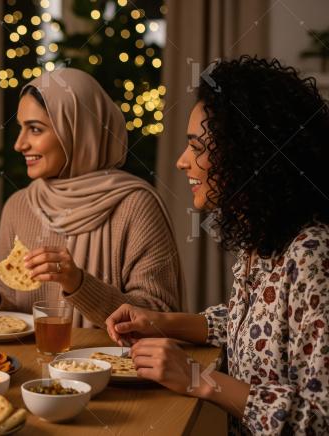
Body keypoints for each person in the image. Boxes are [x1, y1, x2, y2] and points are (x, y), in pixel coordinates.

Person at [105, 57, 329, 434]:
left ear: (247, 152)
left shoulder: (313, 255)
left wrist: (196, 378)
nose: (181, 162)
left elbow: (320, 419)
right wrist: (160, 322)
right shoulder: (263, 241)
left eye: (197, 147)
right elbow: (256, 328)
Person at [0, 68, 182, 327]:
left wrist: (79, 283)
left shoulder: (136, 205)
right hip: (33, 363)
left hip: (114, 365)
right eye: (20, 129)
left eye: (35, 129)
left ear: (77, 131)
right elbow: (13, 313)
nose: (19, 144)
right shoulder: (18, 206)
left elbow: (160, 316)